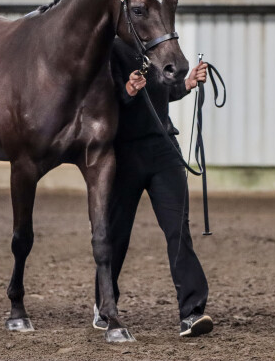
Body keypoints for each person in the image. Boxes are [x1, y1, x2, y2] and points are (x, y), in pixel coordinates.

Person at [94, 38, 212, 337]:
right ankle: (105, 303)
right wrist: (128, 90)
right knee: (116, 234)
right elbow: (98, 101)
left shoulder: (158, 49)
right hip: (123, 154)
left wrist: (187, 83)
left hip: (163, 149)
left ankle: (192, 312)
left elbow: (163, 93)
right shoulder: (110, 49)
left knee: (178, 231)